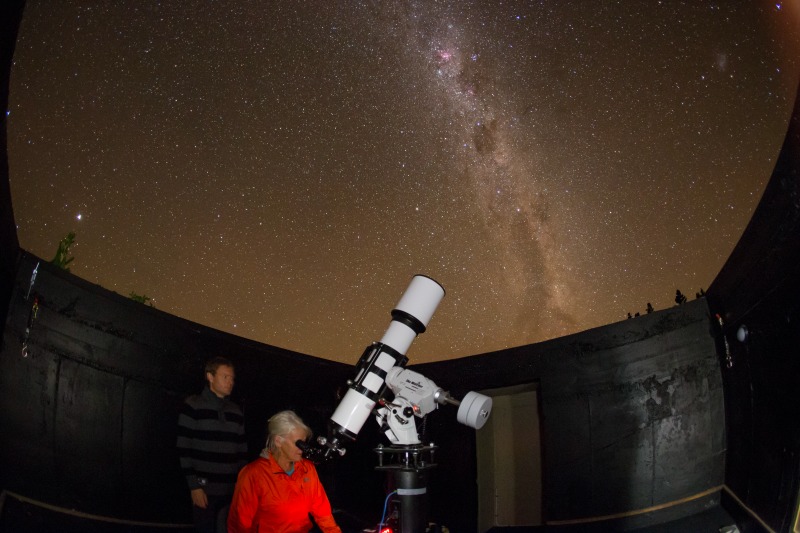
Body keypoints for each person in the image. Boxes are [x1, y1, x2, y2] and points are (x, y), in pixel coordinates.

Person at [227, 410, 342, 533]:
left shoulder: (307, 468)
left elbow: (323, 512)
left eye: (304, 442)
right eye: (298, 443)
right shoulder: (254, 474)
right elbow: (239, 524)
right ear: (278, 441)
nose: (302, 449)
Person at [177, 357, 247, 533]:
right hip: (204, 491)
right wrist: (194, 486)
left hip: (231, 491)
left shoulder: (236, 411)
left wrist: (242, 486)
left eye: (232, 378)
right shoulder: (192, 406)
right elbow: (183, 448)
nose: (230, 382)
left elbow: (242, 452)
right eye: (225, 377)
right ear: (210, 376)